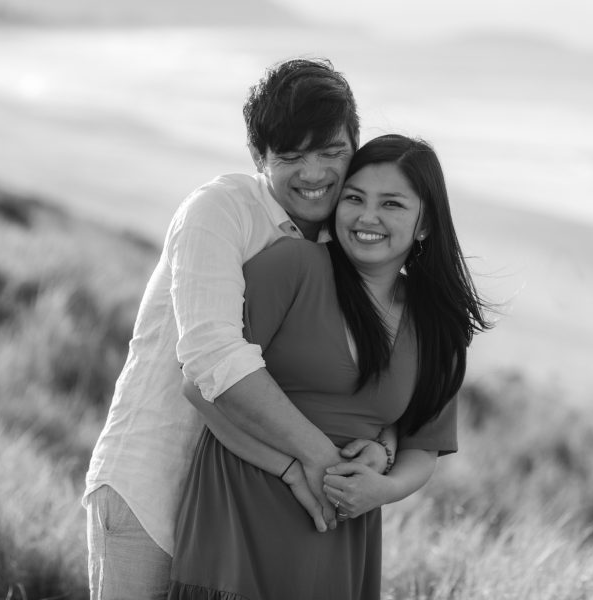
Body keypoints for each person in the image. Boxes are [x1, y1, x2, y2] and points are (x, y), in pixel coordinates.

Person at [83, 57, 395, 600]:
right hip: (151, 484)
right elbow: (211, 357)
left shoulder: (343, 242)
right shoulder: (220, 210)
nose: (315, 173)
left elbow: (363, 372)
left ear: (355, 147)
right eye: (292, 156)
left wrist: (383, 449)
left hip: (244, 509)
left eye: (331, 152)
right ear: (258, 157)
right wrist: (318, 461)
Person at [170, 134, 493, 599]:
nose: (368, 217)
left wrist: (383, 489)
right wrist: (292, 468)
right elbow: (199, 387)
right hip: (235, 530)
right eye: (355, 198)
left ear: (425, 225)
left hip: (338, 546)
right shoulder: (292, 266)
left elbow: (423, 450)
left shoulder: (437, 327)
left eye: (393, 205)